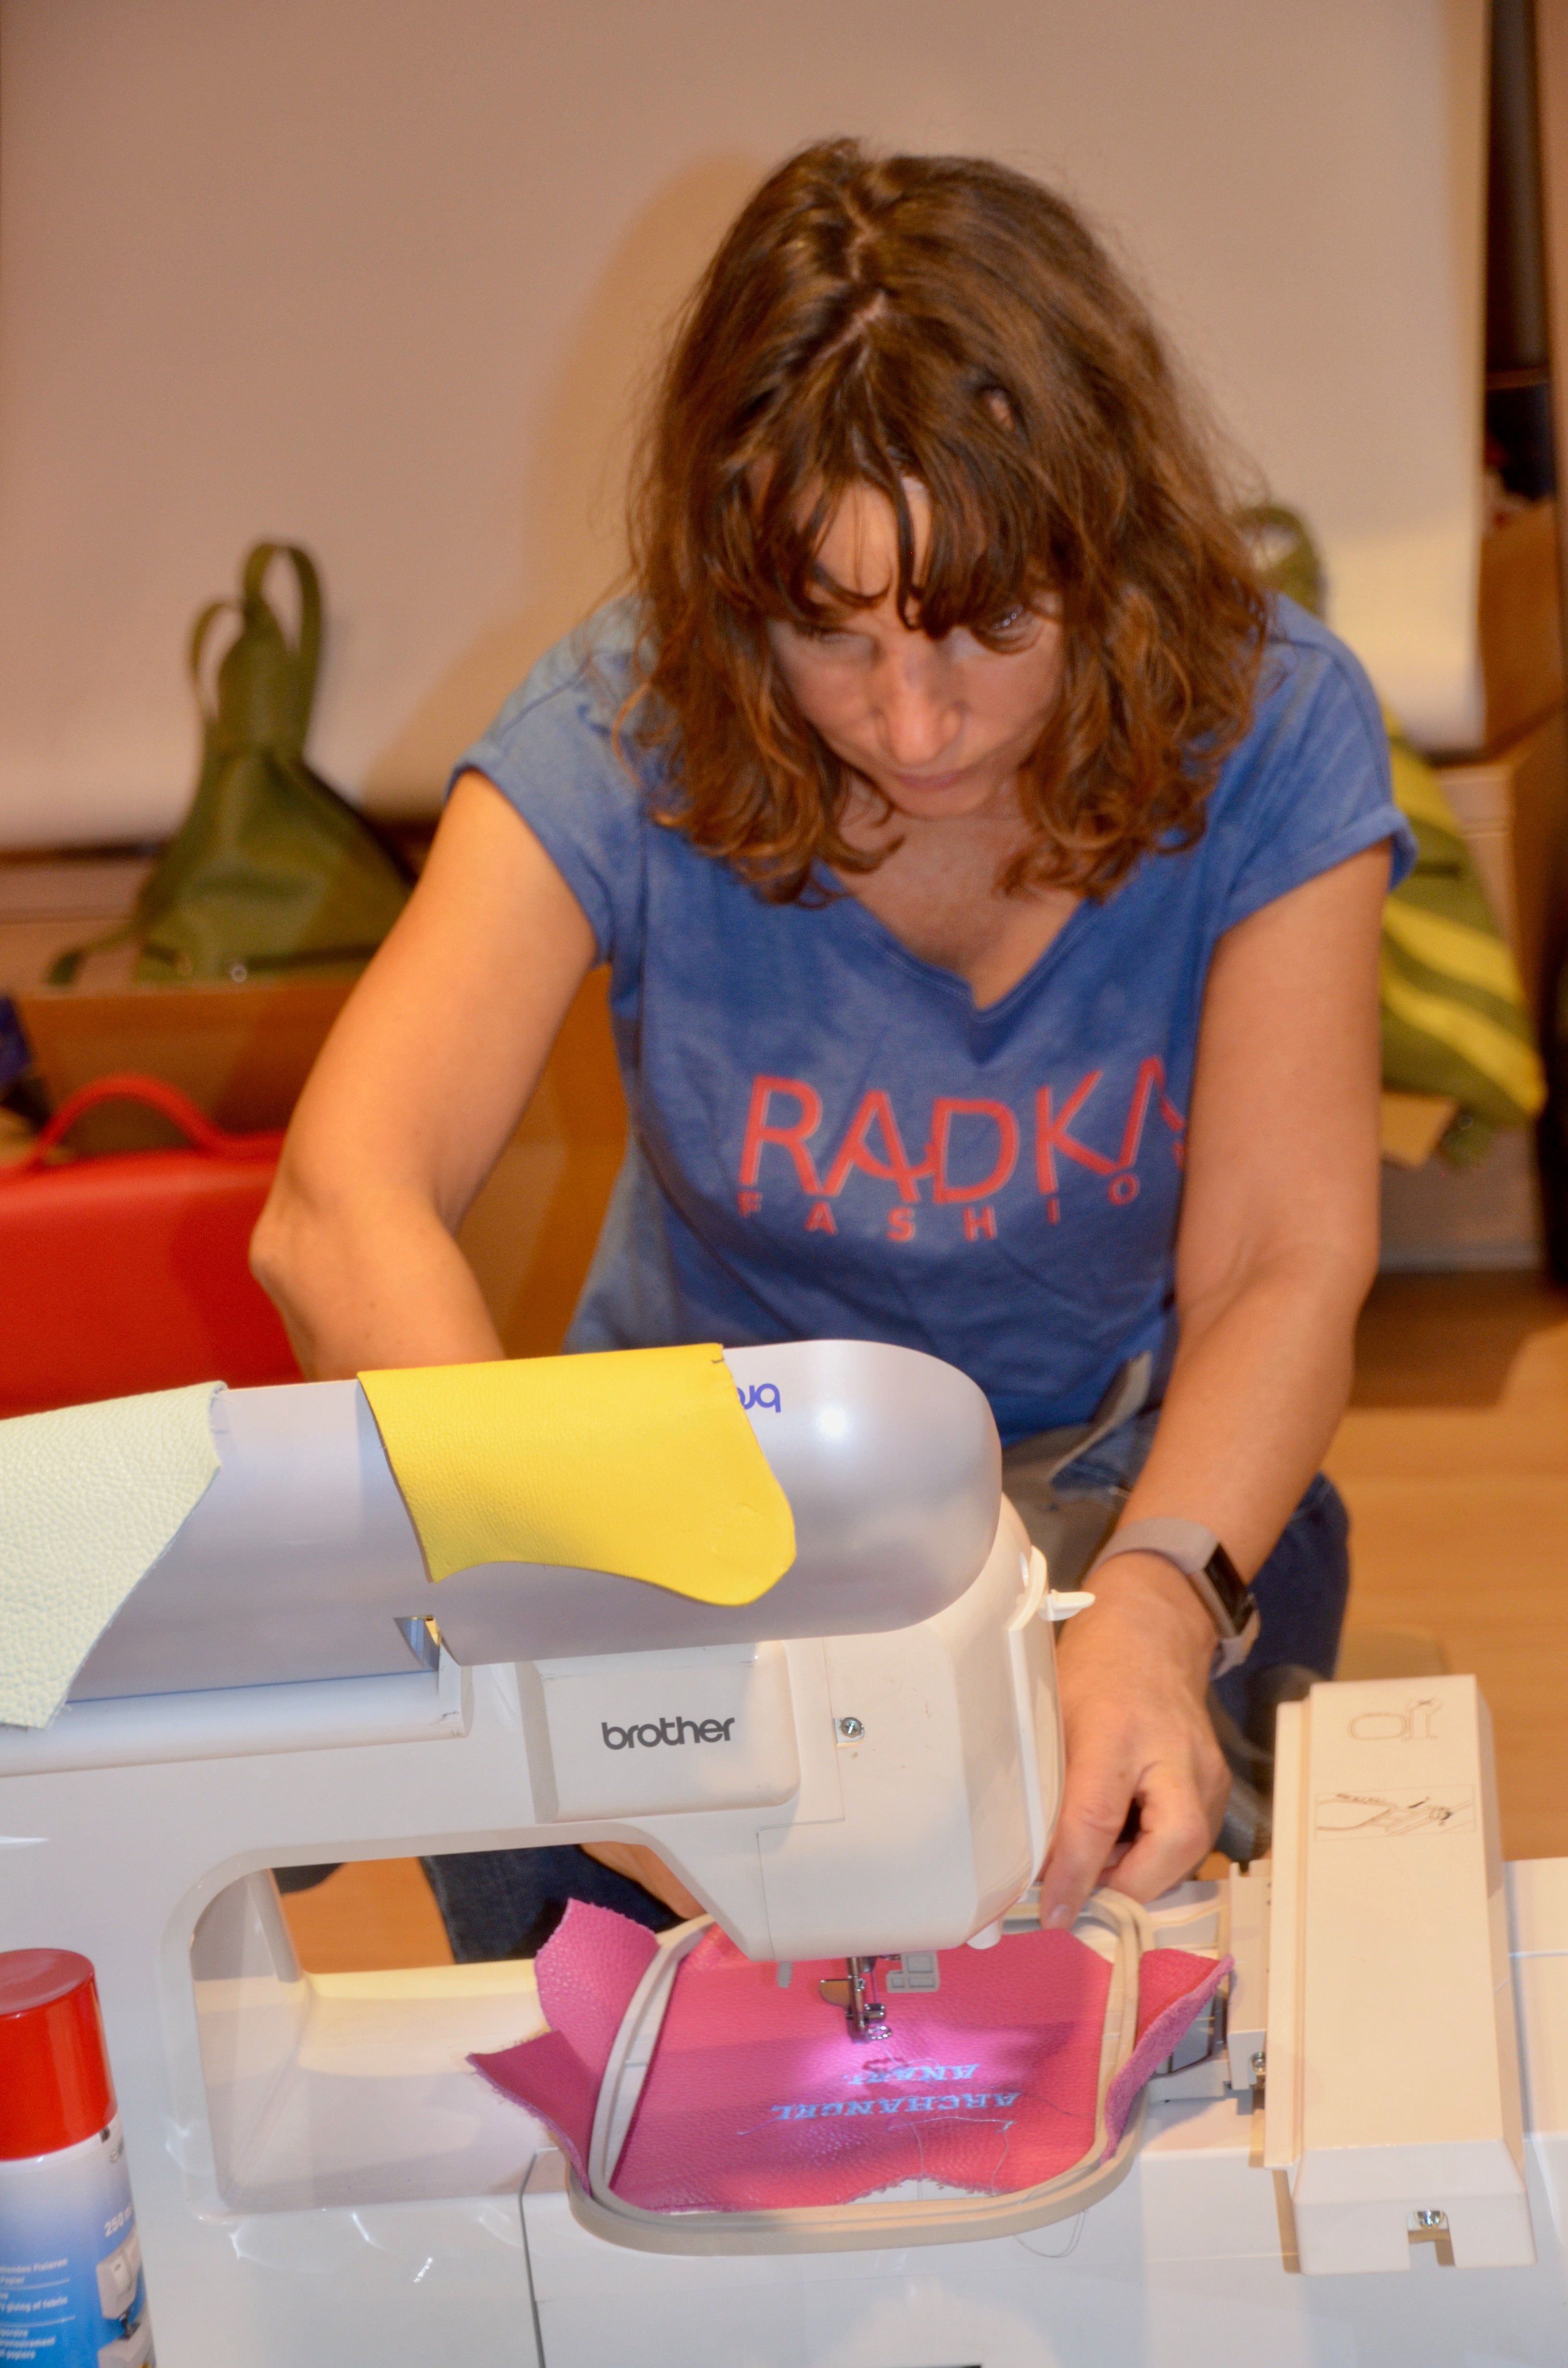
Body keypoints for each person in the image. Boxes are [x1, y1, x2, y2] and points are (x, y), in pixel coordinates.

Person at [252, 140, 1413, 1961]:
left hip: (1109, 1464)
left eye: (988, 627)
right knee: (590, 1932)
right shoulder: (626, 718)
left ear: (1105, 553)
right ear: (738, 587)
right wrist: (561, 1615)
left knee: (1111, 1905)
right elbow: (340, 1202)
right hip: (690, 1501)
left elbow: (1284, 1252)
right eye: (827, 632)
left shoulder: (1269, 721)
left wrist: (1156, 1605)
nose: (914, 723)